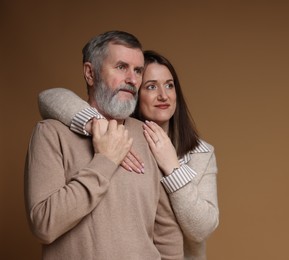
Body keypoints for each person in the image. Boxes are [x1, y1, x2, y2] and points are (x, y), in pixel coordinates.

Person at [38, 50, 219, 259]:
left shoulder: (200, 153)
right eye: (151, 86)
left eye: (170, 85)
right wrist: (103, 130)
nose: (163, 95)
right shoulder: (114, 139)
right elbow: (49, 97)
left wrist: (172, 168)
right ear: (133, 92)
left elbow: (202, 229)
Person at [24, 31, 183, 260]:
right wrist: (105, 161)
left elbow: (167, 232)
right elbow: (44, 225)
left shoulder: (148, 134)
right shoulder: (51, 134)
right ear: (90, 73)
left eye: (138, 70)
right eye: (121, 67)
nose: (132, 79)